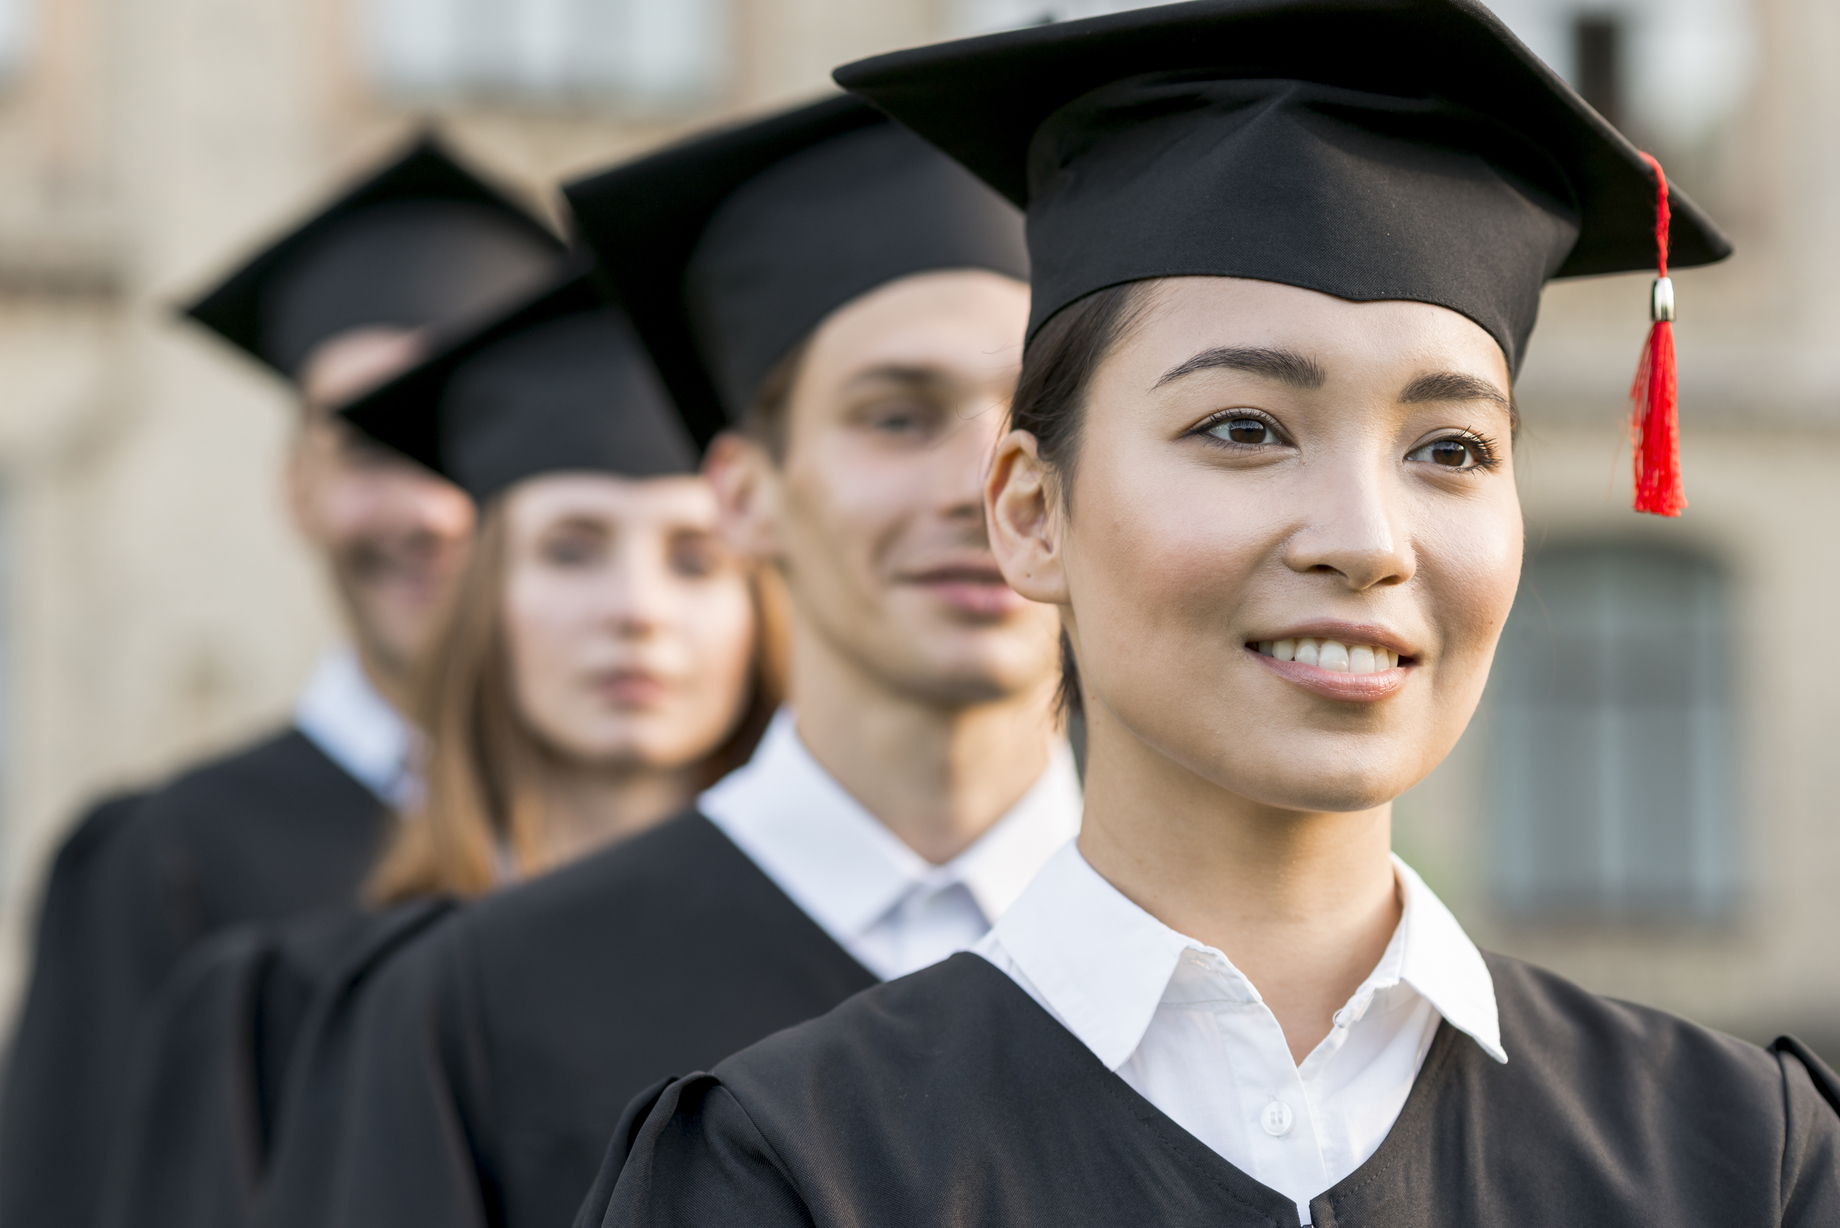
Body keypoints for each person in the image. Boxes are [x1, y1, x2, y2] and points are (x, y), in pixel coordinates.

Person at [578, 3, 1840, 1226]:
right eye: (1243, 429)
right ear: (1028, 510)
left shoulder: (1743, 1161)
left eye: (1451, 447)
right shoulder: (790, 1170)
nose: (1364, 538)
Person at [255, 94, 1080, 1228]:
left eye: (1036, 416)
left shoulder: (1268, 986)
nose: (983, 487)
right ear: (743, 495)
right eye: (897, 417)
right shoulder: (475, 1011)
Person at [97, 267, 781, 1228]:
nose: (636, 610)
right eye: (571, 549)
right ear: (481, 603)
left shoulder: (860, 982)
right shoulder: (291, 1009)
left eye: (697, 559)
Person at [0, 134, 565, 1228]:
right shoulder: (161, 865)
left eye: (471, 442)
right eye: (369, 451)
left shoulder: (678, 831)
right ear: (295, 489)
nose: (430, 510)